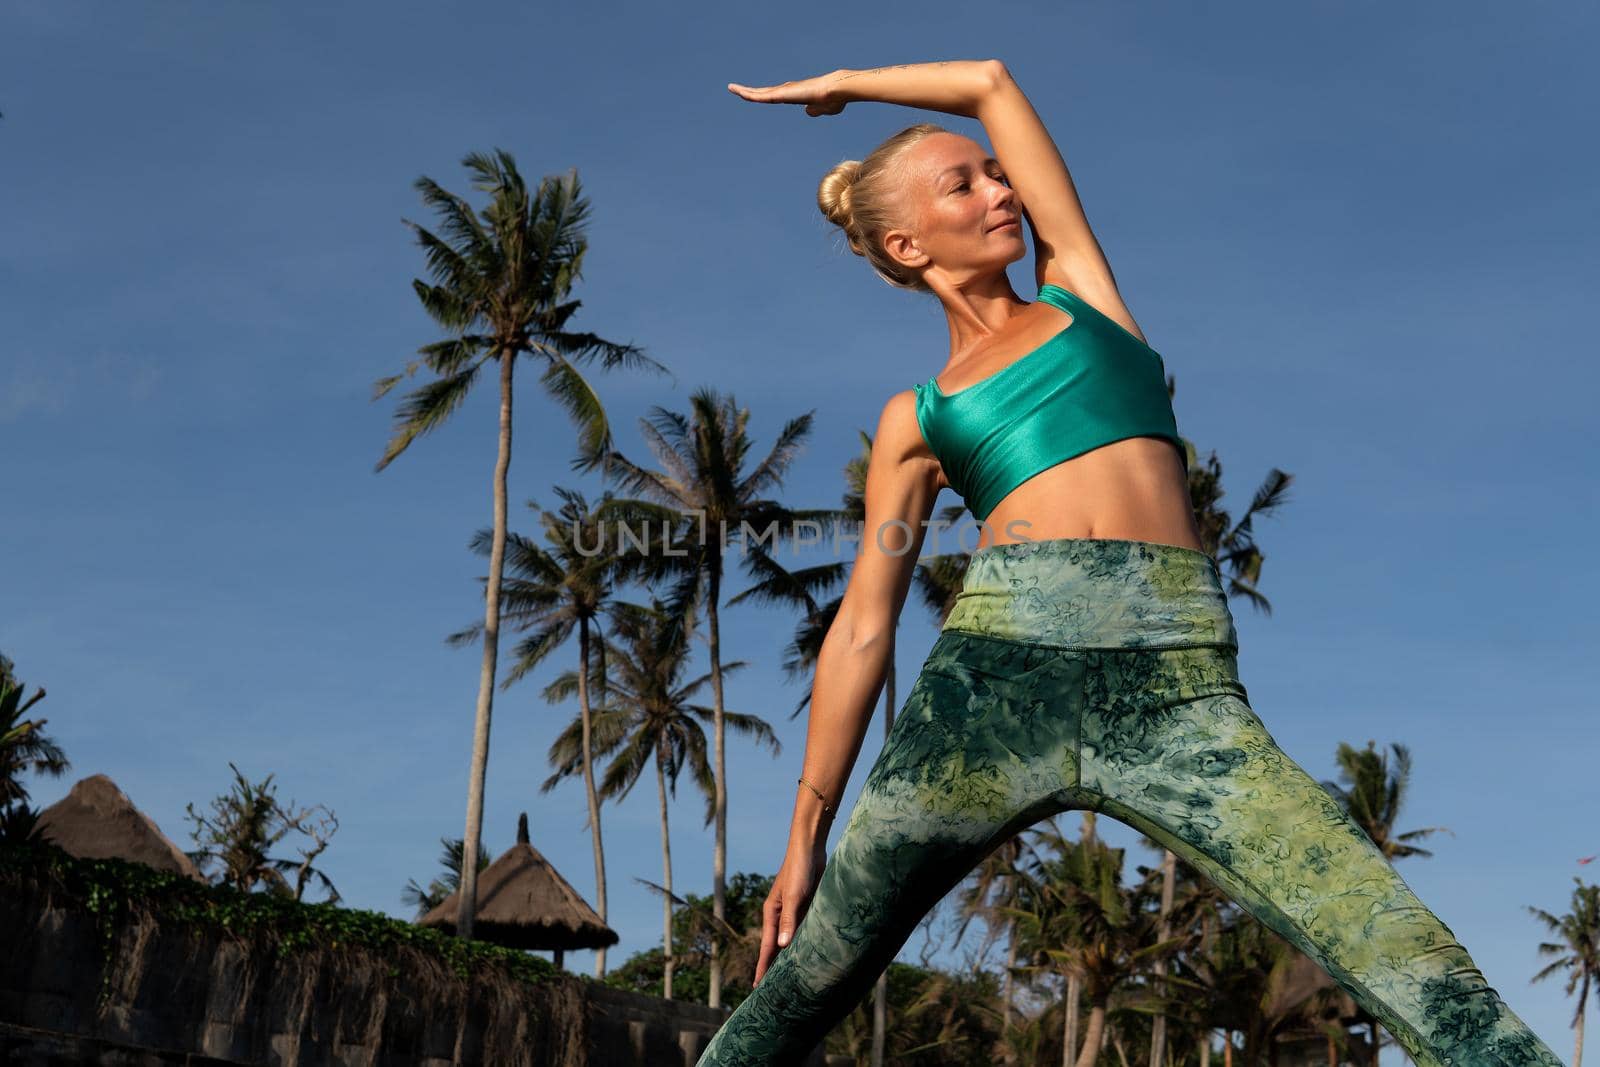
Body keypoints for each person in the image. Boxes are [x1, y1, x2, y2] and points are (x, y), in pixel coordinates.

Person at [697, 60, 1564, 1067]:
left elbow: (987, 81)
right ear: (904, 242)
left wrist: (852, 83)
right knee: (811, 978)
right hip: (991, 687)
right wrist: (805, 832)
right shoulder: (916, 418)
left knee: (1388, 935)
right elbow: (862, 624)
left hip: (1177, 684)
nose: (1000, 190)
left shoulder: (1085, 296)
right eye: (963, 185)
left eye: (994, 174)